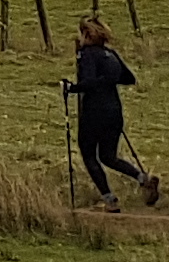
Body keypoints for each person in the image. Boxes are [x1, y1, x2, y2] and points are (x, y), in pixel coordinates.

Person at [65, 19, 159, 210]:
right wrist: (108, 80)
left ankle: (110, 200)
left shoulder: (87, 54)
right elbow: (128, 78)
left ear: (87, 35)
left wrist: (71, 88)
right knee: (109, 156)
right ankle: (142, 178)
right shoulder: (111, 54)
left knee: (89, 155)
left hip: (93, 111)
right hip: (114, 110)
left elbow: (89, 82)